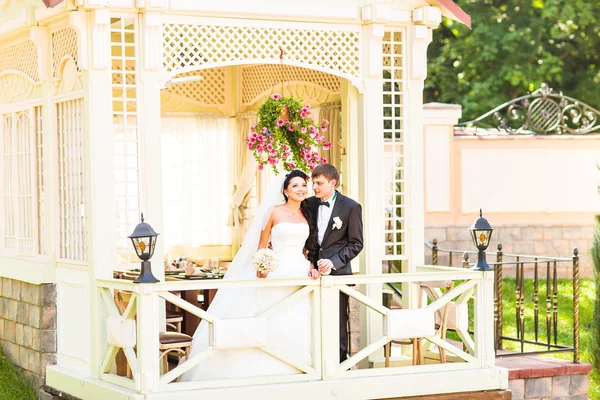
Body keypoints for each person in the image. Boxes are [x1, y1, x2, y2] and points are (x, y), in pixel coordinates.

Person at [181, 170, 320, 382]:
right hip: (276, 271)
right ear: (285, 190)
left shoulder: (307, 214)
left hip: (300, 272)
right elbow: (261, 246)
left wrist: (311, 265)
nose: (301, 189)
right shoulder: (274, 212)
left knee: (296, 316)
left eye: (304, 185)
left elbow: (307, 248)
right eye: (295, 186)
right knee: (271, 315)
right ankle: (263, 367)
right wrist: (262, 267)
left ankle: (298, 366)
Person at [306, 164, 364, 363]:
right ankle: (315, 363)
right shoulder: (308, 204)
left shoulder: (351, 207)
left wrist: (333, 262)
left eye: (319, 183)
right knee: (311, 321)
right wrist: (310, 262)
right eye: (313, 182)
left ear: (333, 183)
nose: (314, 187)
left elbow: (356, 244)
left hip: (338, 275)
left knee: (338, 323)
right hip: (309, 273)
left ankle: (339, 365)